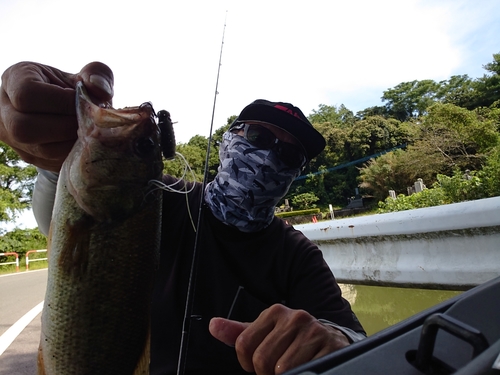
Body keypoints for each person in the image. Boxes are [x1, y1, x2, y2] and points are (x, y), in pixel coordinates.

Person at [0, 61, 366, 375]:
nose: (270, 156)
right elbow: (60, 218)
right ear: (226, 141)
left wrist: (334, 341)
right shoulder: (156, 197)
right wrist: (53, 160)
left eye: (289, 155)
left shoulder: (296, 254)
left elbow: (353, 338)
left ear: (293, 175)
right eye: (256, 135)